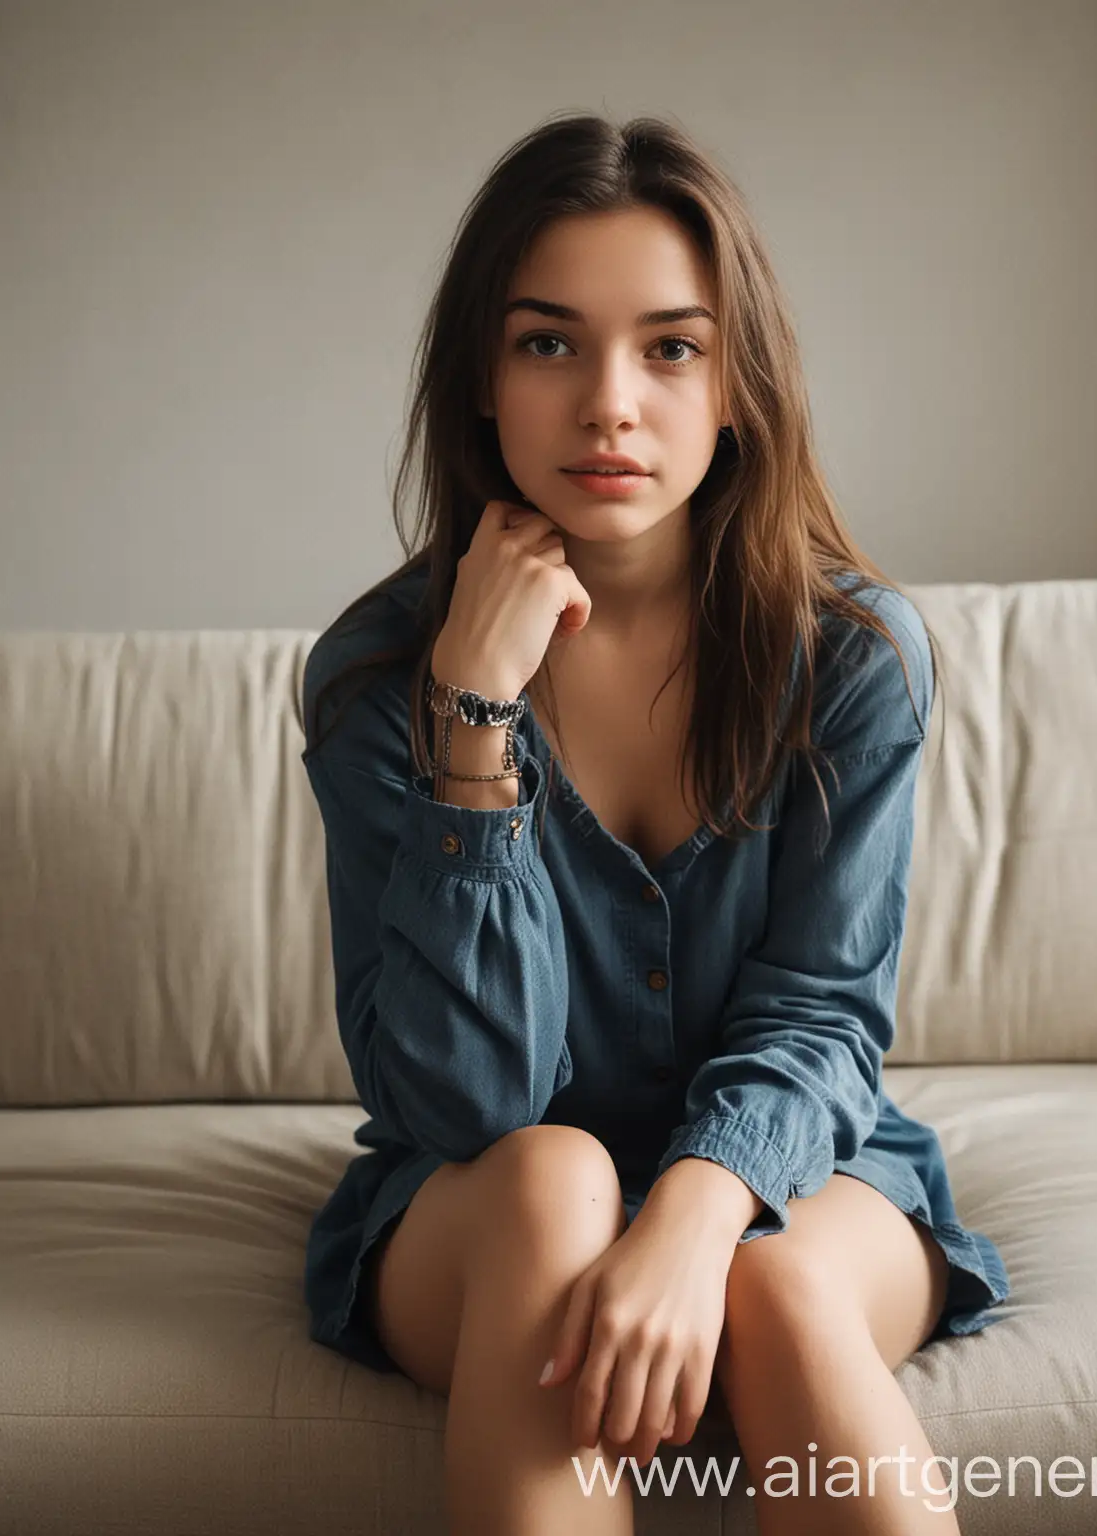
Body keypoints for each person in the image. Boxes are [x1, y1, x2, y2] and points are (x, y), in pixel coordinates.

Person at [296, 110, 1010, 1536]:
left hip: (797, 1174)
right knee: (553, 1173)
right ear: (483, 383)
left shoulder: (855, 659)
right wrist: (473, 727)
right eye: (549, 343)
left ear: (737, 384)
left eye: (670, 347)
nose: (609, 403)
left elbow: (822, 1017)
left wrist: (694, 1213)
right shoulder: (381, 679)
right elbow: (462, 1102)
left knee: (776, 1279)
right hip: (481, 1206)